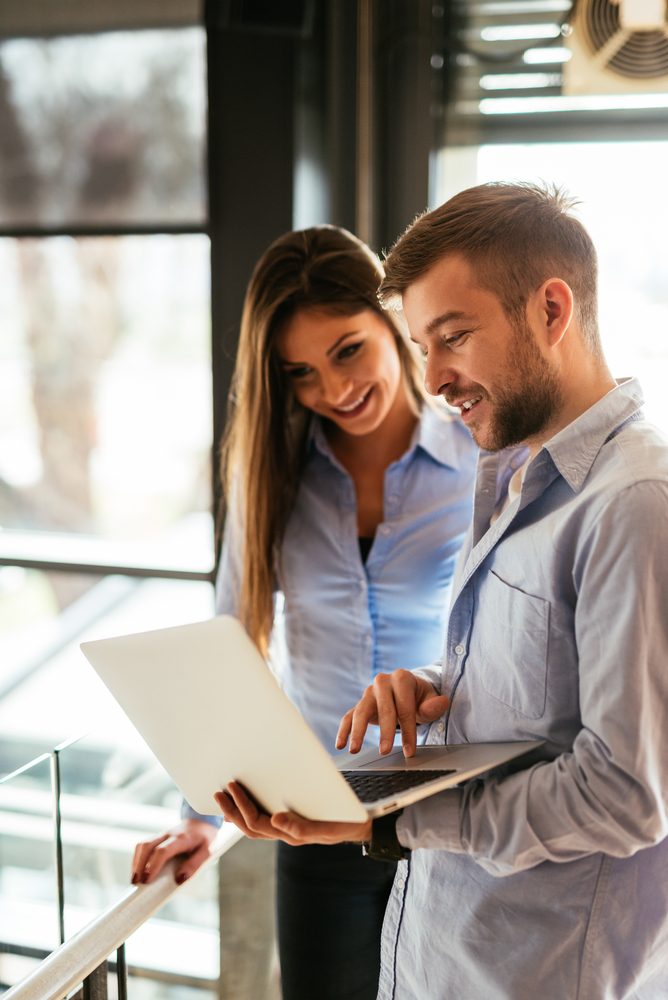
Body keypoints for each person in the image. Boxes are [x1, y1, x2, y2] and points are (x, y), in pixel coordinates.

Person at [216, 184, 668, 1000]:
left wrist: (390, 820)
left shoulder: (631, 503)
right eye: (427, 345)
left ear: (552, 311)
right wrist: (436, 686)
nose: (438, 378)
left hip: (530, 953)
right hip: (443, 918)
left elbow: (624, 793)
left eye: (452, 338)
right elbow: (536, 691)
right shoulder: (519, 476)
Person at [131, 225, 477, 1000]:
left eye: (348, 349)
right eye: (301, 373)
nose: (333, 389)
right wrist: (201, 814)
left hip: (450, 815)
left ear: (392, 318)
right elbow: (233, 638)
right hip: (315, 817)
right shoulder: (274, 478)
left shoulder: (479, 460)